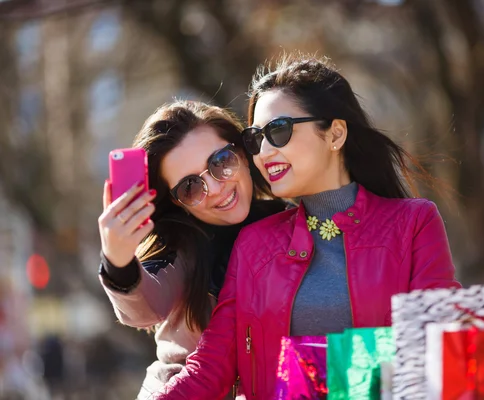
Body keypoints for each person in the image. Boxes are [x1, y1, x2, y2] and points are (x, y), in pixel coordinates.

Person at [153, 54, 461, 399]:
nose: (264, 153)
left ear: (335, 134)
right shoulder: (255, 244)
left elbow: (438, 350)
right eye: (256, 139)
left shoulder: (413, 223)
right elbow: (209, 370)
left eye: (279, 131)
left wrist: (313, 373)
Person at [97, 101, 285, 399]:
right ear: (176, 203)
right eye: (190, 187)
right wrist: (117, 260)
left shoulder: (291, 222)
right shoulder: (181, 246)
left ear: (244, 153)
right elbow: (147, 307)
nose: (215, 187)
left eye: (221, 161)